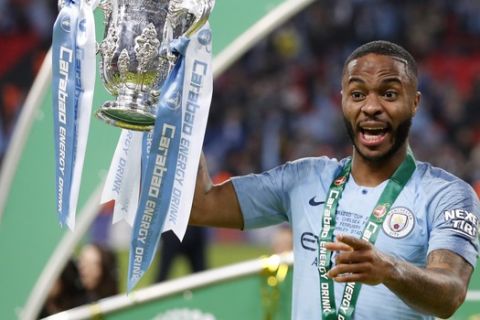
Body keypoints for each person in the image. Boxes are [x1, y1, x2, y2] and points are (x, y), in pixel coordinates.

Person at [189, 40, 480, 319]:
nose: (371, 107)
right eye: (357, 94)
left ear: (414, 102)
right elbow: (200, 205)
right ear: (342, 101)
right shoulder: (304, 179)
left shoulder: (446, 194)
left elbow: (450, 295)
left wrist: (389, 269)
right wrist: (187, 108)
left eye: (389, 94)